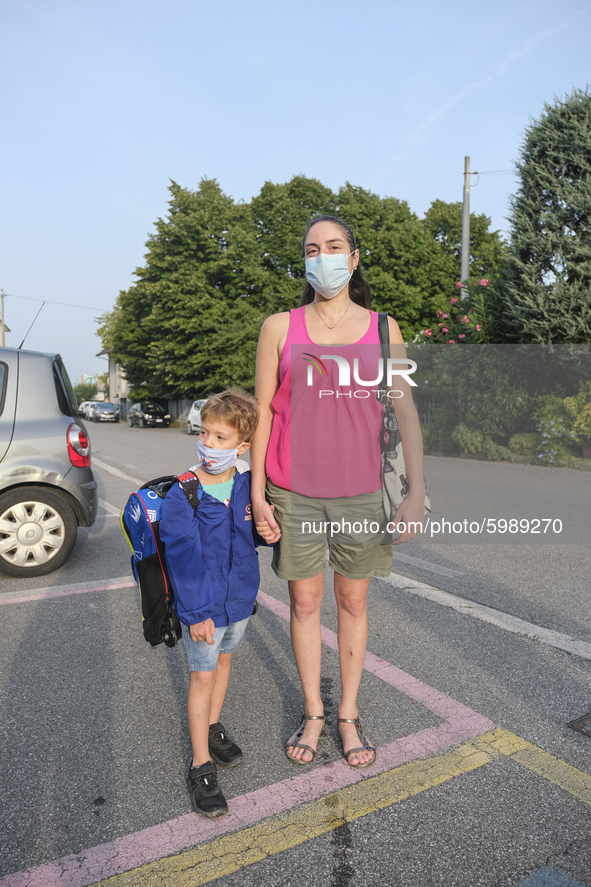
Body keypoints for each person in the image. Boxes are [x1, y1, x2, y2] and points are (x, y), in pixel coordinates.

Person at [251, 216, 426, 769]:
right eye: (311, 248)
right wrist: (257, 494)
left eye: (333, 247)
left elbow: (405, 411)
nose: (321, 256)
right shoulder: (278, 326)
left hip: (363, 492)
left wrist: (416, 490)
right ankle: (313, 711)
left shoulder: (384, 328)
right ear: (304, 261)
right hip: (294, 491)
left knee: (352, 602)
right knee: (304, 604)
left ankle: (347, 713)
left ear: (353, 259)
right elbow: (261, 414)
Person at [160, 389, 265, 817]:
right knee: (201, 677)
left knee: (224, 663)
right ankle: (200, 762)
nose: (209, 444)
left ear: (242, 446)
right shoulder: (183, 492)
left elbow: (248, 537)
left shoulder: (245, 484)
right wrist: (197, 612)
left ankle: (212, 725)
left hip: (239, 600)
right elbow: (182, 560)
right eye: (205, 433)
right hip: (202, 607)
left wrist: (266, 532)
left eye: (222, 437)